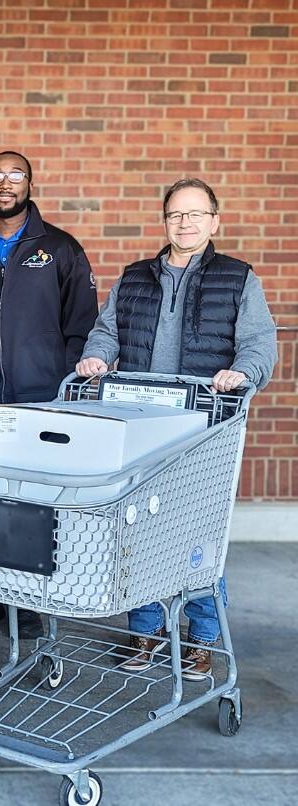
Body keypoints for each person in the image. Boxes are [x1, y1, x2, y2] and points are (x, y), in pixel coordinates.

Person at [75, 178, 277, 680]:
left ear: (214, 220)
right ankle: (145, 633)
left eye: (195, 214)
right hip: (139, 424)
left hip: (203, 427)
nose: (185, 223)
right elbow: (106, 332)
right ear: (164, 221)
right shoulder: (135, 277)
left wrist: (242, 374)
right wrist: (96, 357)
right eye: (175, 214)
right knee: (136, 528)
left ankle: (202, 637)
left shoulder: (238, 278)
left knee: (197, 534)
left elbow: (259, 345)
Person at [0, 151, 98, 639]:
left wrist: (65, 390)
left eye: (16, 175)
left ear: (31, 183)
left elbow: (81, 326)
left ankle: (32, 601)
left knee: (34, 502)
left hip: (39, 397)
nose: (6, 183)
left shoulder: (60, 248)